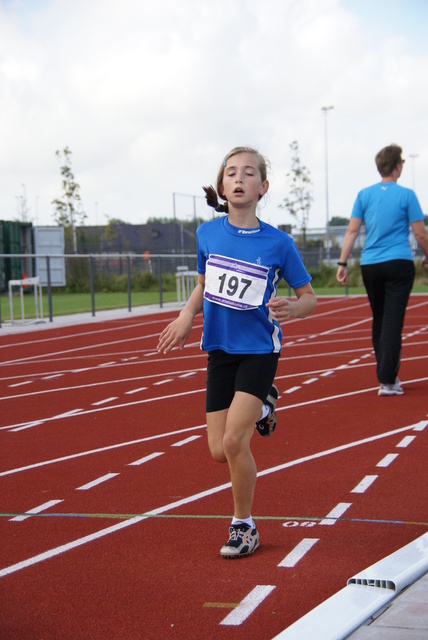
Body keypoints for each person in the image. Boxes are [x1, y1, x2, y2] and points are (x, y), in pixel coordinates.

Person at [157, 146, 316, 558]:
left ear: (262, 187)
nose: (239, 179)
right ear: (223, 185)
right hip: (220, 350)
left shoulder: (279, 243)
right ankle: (265, 406)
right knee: (216, 450)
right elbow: (202, 283)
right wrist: (187, 316)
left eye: (249, 173)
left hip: (260, 350)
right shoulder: (208, 235)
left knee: (232, 442)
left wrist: (293, 308)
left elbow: (309, 297)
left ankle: (243, 526)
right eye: (232, 173)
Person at [336, 144, 428, 396]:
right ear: (398, 166)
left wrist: (342, 263)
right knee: (393, 321)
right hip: (399, 263)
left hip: (371, 265)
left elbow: (352, 231)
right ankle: (388, 379)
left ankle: (386, 376)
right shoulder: (407, 195)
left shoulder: (364, 195)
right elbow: (420, 233)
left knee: (380, 318)